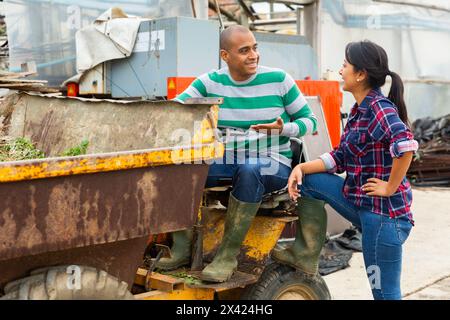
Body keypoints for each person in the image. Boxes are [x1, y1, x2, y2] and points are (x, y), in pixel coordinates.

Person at [156, 25, 322, 283]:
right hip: (227, 158)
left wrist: (284, 128)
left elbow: (311, 121)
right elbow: (175, 110)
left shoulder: (279, 80)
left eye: (255, 48)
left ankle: (227, 256)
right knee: (180, 166)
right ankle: (181, 248)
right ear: (225, 56)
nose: (253, 55)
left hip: (272, 163)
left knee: (251, 169)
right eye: (244, 51)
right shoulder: (210, 82)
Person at [273, 40, 418, 300]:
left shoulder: (379, 109)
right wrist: (301, 167)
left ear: (361, 74)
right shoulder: (358, 110)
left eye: (344, 65)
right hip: (363, 205)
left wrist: (390, 186)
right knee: (310, 180)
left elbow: (406, 146)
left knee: (384, 292)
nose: (340, 71)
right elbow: (339, 157)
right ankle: (305, 253)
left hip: (384, 217)